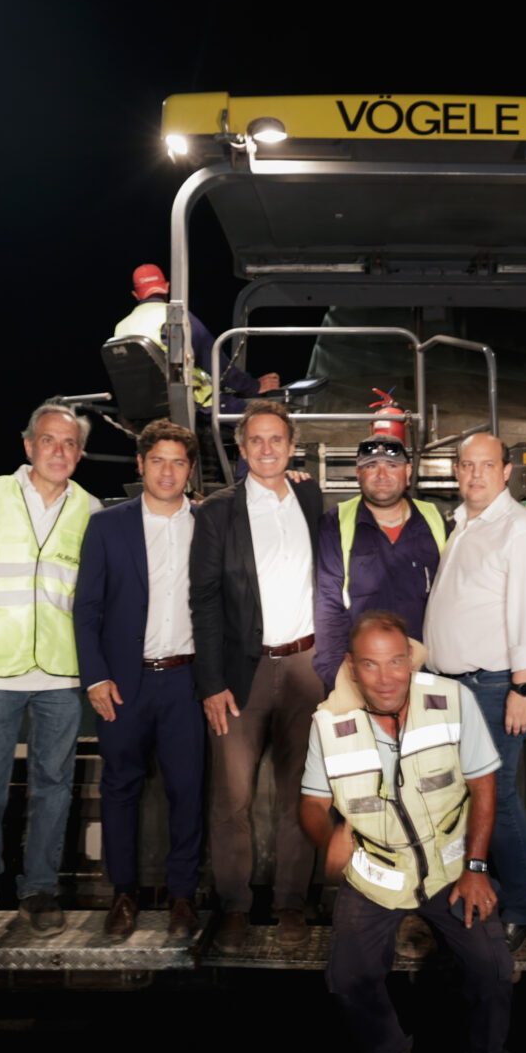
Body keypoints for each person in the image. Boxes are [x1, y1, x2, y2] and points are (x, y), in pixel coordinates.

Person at [298, 610, 521, 1053]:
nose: (386, 678)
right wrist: (328, 837)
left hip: (451, 869)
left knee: (492, 968)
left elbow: (484, 785)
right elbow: (311, 802)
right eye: (371, 665)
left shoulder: (451, 700)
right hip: (375, 871)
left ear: (410, 660)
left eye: (396, 662)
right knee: (348, 975)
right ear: (352, 667)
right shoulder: (327, 725)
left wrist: (476, 867)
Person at [0, 403, 100, 942]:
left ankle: (39, 891)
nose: (59, 451)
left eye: (70, 443)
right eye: (49, 440)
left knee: (54, 787)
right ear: (29, 445)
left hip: (60, 671)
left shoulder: (91, 509)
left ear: (79, 454)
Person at [191, 398, 329, 946]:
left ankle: (292, 904)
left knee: (302, 793)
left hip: (305, 668)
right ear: (241, 448)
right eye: (256, 440)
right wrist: (210, 682)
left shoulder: (311, 497)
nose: (267, 449)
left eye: (277, 439)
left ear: (292, 447)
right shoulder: (218, 511)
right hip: (239, 673)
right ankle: (234, 907)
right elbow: (203, 601)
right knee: (232, 799)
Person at [75, 421, 206, 942]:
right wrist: (95, 677)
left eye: (178, 462)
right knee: (120, 788)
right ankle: (123, 894)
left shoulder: (207, 522)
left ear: (190, 469)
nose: (167, 472)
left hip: (186, 681)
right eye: (157, 461)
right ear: (140, 464)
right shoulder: (108, 526)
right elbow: (86, 609)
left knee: (187, 791)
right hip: (124, 684)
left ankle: (182, 897)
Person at [421, 432, 526, 950]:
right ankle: (487, 893)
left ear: (506, 472)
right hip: (457, 687)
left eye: (487, 465)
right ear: (457, 471)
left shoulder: (519, 529)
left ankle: (524, 908)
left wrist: (523, 686)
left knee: (495, 797)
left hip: (496, 685)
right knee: (475, 800)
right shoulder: (464, 523)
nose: (476, 474)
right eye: (467, 465)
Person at [310, 435, 448, 688]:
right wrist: (339, 679)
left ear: (408, 472)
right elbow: (329, 605)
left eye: (392, 466)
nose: (382, 475)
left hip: (426, 673)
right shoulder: (335, 524)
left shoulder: (436, 521)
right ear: (358, 474)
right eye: (371, 466)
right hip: (362, 676)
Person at [113, 263, 276, 410]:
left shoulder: (120, 328)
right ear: (167, 287)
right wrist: (253, 386)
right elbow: (215, 363)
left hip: (143, 409)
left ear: (136, 295)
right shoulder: (175, 317)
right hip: (195, 404)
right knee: (256, 417)